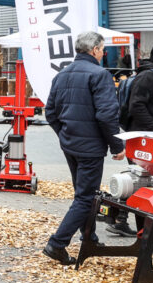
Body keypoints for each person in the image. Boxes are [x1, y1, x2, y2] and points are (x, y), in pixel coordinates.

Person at [43, 31, 126, 264]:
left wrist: (64, 135)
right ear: (95, 50)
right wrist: (117, 145)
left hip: (70, 145)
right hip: (90, 147)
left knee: (83, 195)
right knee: (86, 197)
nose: (103, 53)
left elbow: (50, 112)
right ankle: (57, 244)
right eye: (102, 49)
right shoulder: (100, 74)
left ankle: (89, 237)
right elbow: (107, 114)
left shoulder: (62, 74)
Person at [108, 39, 153, 236]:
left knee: (143, 180)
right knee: (140, 180)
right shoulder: (149, 75)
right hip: (145, 139)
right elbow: (136, 106)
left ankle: (123, 220)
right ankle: (129, 223)